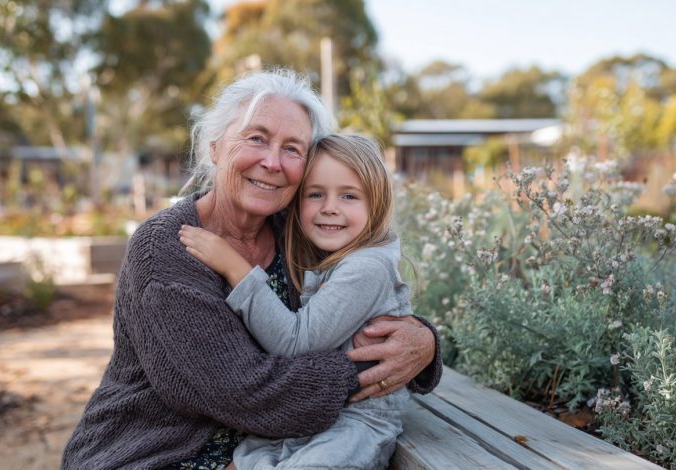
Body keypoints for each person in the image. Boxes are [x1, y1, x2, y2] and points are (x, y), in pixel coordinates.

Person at [61, 69, 441, 470]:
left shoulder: (300, 233)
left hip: (269, 450)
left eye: (293, 149)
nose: (273, 162)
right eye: (256, 138)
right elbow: (246, 393)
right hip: (156, 453)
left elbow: (355, 302)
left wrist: (423, 342)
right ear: (215, 147)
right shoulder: (167, 249)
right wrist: (370, 367)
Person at [179, 133, 413, 469]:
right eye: (316, 194)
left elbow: (296, 342)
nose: (329, 207)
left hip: (359, 421)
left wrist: (234, 266)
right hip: (310, 414)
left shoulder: (368, 266)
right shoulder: (324, 255)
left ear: (375, 205)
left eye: (349, 196)